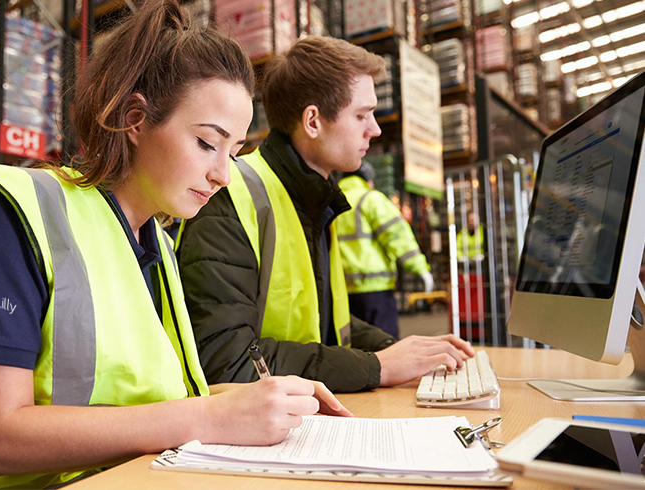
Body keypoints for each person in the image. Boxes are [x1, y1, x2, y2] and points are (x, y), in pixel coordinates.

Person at [0, 3, 350, 488]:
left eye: (234, 151)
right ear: (135, 119)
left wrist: (266, 401)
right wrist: (209, 417)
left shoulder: (154, 242)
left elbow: (150, 402)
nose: (223, 174)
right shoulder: (9, 212)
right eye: (206, 142)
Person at [178, 36, 474, 394]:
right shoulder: (230, 196)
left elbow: (327, 325)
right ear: (313, 121)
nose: (375, 128)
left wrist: (400, 350)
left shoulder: (315, 200)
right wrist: (376, 366)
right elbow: (228, 360)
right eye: (362, 114)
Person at [336, 162, 434, 339]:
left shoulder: (332, 201)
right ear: (368, 180)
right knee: (384, 343)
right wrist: (420, 269)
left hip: (342, 291)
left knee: (354, 348)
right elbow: (396, 236)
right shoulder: (370, 198)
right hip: (375, 289)